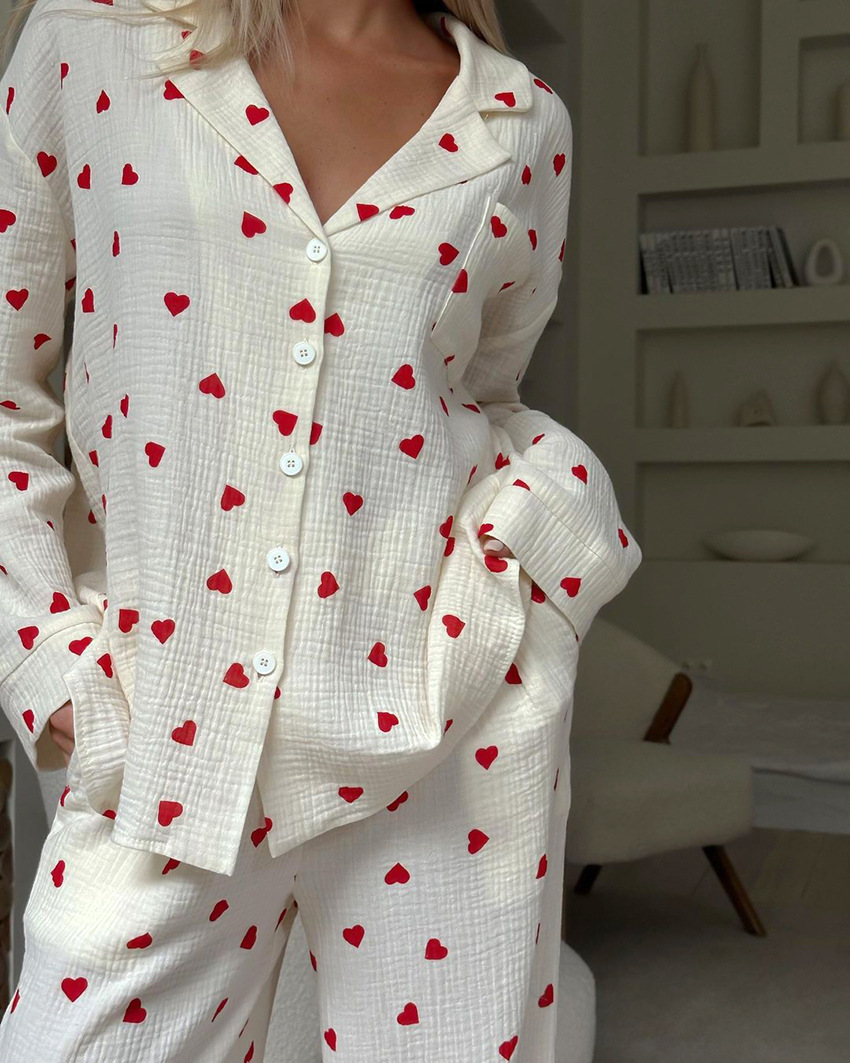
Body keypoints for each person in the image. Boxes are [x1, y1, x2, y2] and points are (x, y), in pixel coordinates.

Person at [0, 0, 642, 1056]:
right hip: (169, 735)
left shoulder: (517, 120)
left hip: (441, 730)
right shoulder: (94, 34)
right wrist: (47, 662)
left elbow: (475, 395)